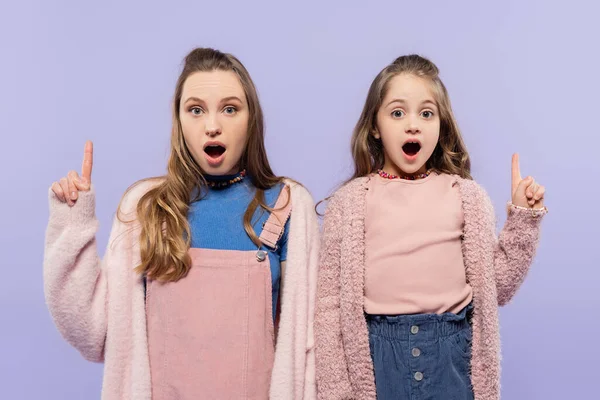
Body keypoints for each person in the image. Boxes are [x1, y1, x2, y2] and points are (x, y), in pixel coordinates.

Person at [44, 47, 319, 400]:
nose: (213, 125)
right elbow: (92, 332)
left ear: (251, 121)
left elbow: (311, 345)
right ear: (179, 121)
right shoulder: (146, 208)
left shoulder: (288, 206)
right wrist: (73, 220)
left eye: (230, 109)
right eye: (196, 110)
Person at [314, 54, 547, 400]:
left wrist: (523, 220)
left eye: (427, 113)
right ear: (375, 127)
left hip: (452, 356)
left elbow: (497, 287)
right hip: (379, 359)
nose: (413, 125)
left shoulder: (466, 196)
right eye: (397, 113)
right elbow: (330, 306)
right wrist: (337, 392)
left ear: (441, 125)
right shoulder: (350, 204)